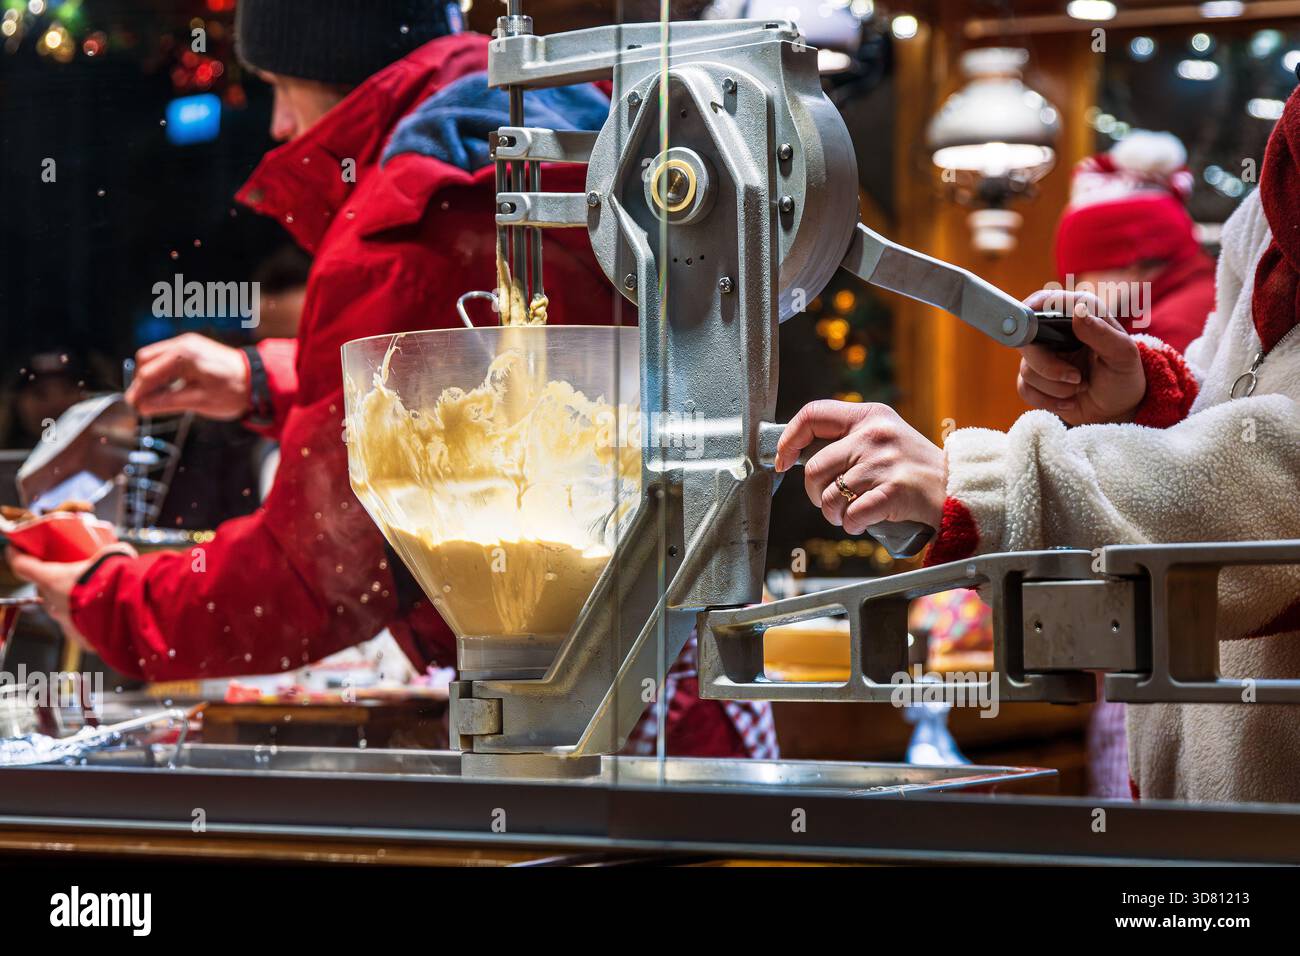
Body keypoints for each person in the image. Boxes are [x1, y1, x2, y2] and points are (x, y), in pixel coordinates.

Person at [9, 0, 774, 760]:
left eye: (280, 84)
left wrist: (107, 597)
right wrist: (264, 379)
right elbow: (523, 400)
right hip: (691, 675)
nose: (278, 125)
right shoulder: (552, 126)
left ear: (335, 66)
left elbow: (314, 578)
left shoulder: (408, 219)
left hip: (580, 723)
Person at [774, 90, 1300, 803]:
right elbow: (1238, 404)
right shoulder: (1266, 206)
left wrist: (979, 479)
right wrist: (1151, 398)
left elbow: (1279, 475)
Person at [1052, 130, 1216, 354]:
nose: (1074, 290)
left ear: (1129, 262)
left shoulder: (1165, 335)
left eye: (1080, 275)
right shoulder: (1188, 300)